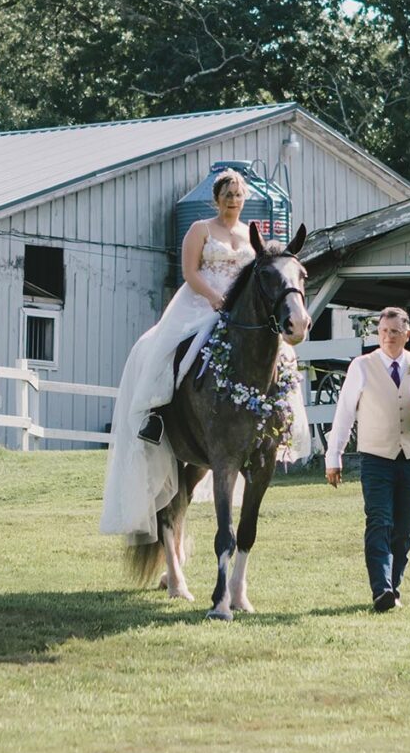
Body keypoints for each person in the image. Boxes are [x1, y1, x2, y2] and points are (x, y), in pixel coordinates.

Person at [100, 168, 310, 545]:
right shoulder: (200, 229)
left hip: (246, 314)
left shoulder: (251, 235)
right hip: (202, 303)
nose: (233, 199)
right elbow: (189, 272)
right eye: (228, 193)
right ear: (216, 199)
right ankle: (157, 414)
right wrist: (216, 300)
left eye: (239, 193)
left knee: (282, 361)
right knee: (174, 349)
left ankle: (281, 422)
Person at [324, 307, 410, 612]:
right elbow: (345, 413)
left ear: (408, 334)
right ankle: (381, 590)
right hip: (376, 455)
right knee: (379, 521)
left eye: (395, 331)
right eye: (384, 332)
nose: (388, 337)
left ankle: (395, 585)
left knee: (404, 527)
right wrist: (333, 456)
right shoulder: (362, 366)